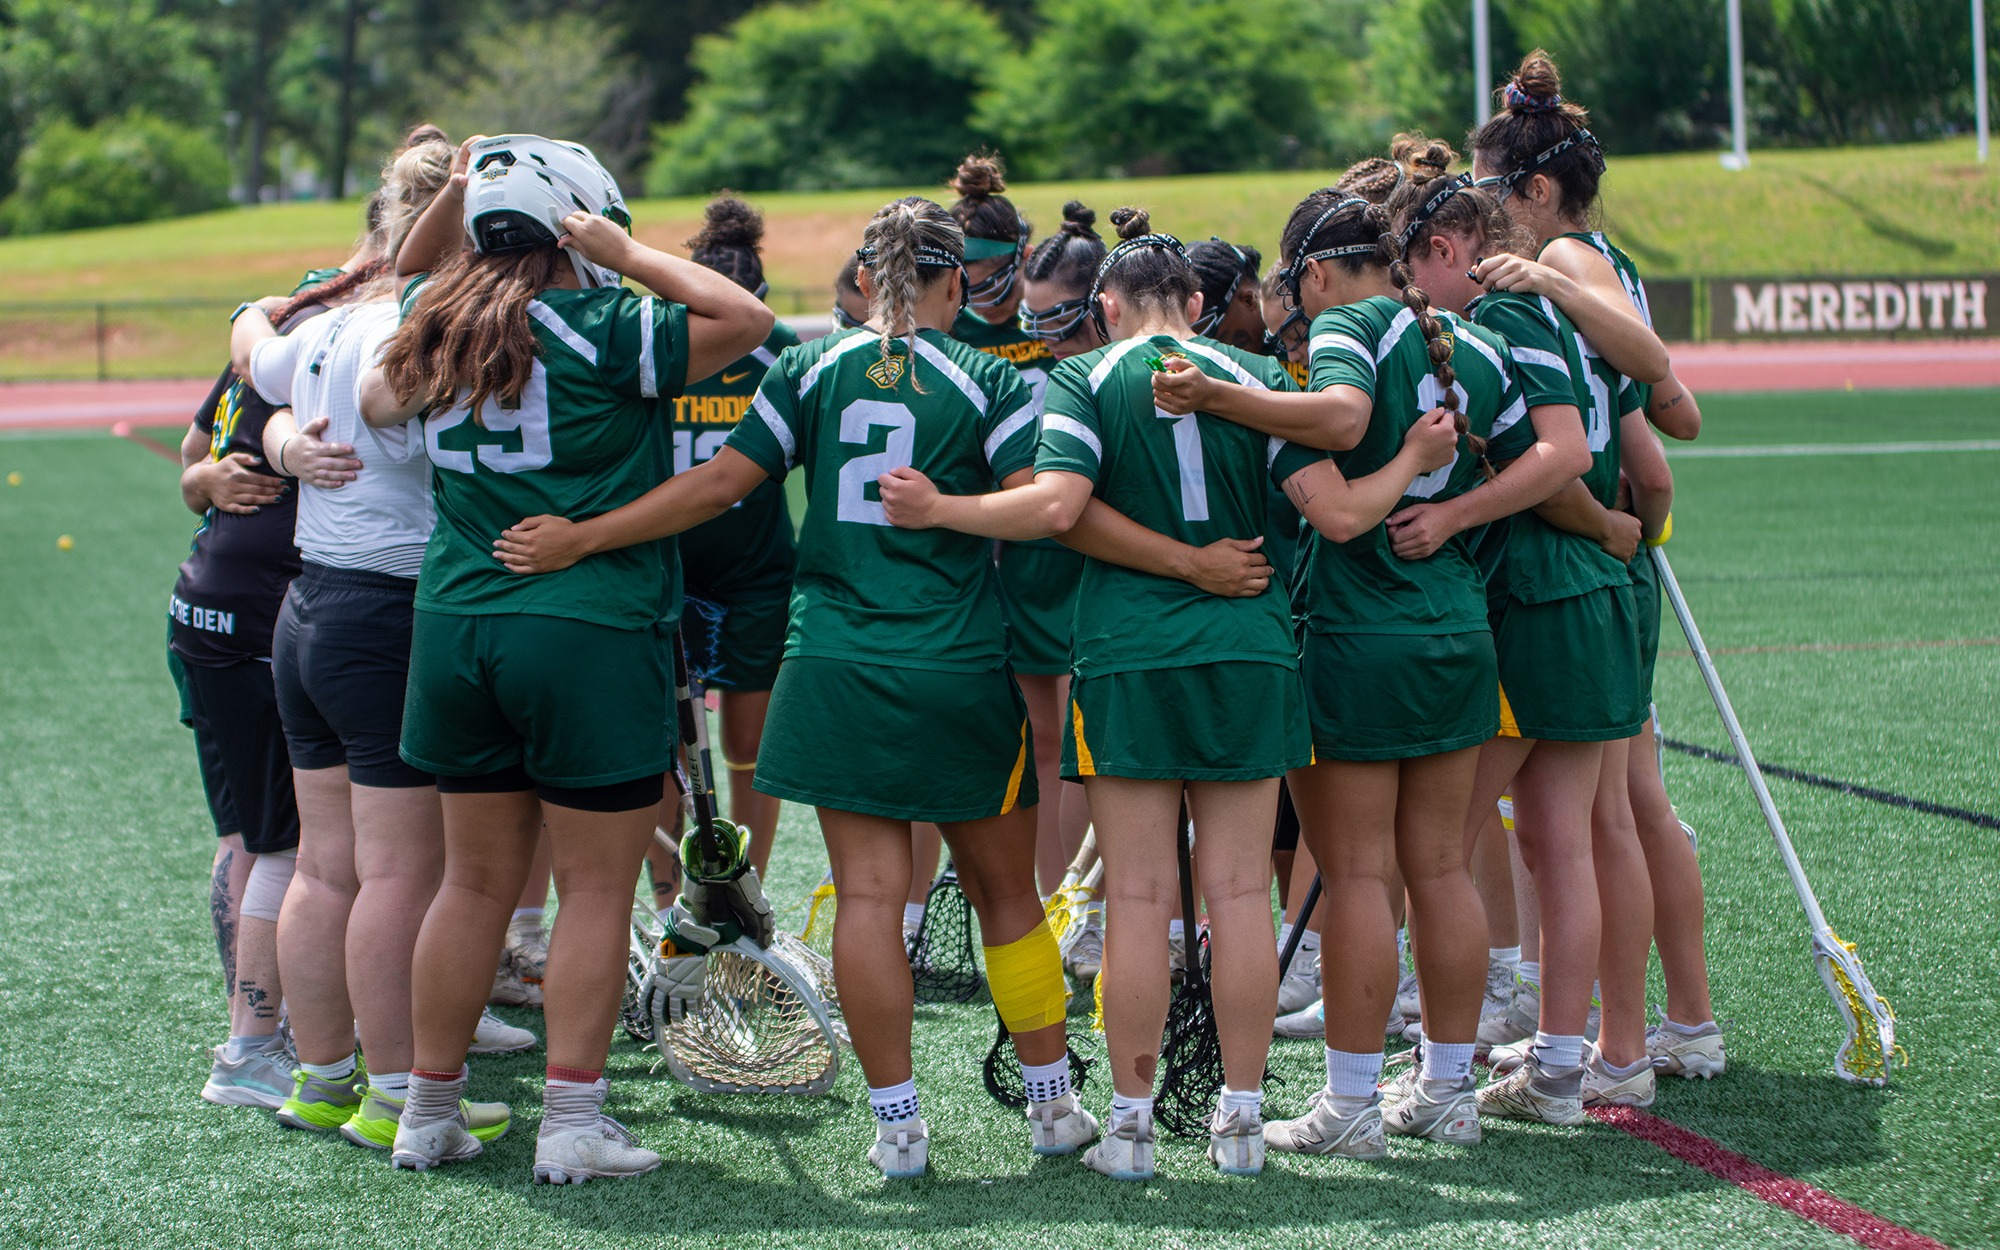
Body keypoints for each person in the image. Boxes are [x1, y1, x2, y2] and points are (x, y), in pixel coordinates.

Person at [487, 197, 1094, 1180]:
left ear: (862, 282)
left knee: (866, 891)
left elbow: (716, 484)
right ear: (948, 283)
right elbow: (1044, 507)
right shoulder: (985, 377)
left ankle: (898, 1127)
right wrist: (949, 508)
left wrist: (586, 534)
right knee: (1006, 895)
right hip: (953, 663)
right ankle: (1052, 1103)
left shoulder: (809, 367)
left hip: (831, 661)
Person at [357, 133, 773, 1182]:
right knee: (594, 892)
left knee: (472, 883)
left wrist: (456, 203)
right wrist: (620, 255)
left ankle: (428, 1107)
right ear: (578, 218)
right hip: (585, 625)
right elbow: (747, 320)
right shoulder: (606, 319)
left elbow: (379, 382)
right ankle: (573, 1120)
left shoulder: (432, 325)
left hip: (459, 624)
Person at [878, 208, 1311, 1181]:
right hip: (1246, 649)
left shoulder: (1083, 373)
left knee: (1141, 896)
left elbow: (1060, 506)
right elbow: (1323, 500)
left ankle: (1129, 1125)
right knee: (1241, 892)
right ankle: (1240, 1120)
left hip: (1128, 654)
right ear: (1199, 305)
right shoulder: (1256, 376)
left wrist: (944, 508)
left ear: (1105, 306)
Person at [1152, 177, 1567, 1156]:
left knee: (1359, 874)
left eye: (1297, 282)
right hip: (1456, 632)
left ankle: (1347, 1104)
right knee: (1439, 867)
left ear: (1328, 270)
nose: (1292, 304)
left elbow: (1337, 440)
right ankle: (1446, 1088)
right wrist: (1455, 514)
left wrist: (1224, 393)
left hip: (1356, 636)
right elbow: (1551, 460)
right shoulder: (1477, 344)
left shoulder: (1346, 330)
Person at [236, 133, 530, 1148]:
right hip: (385, 610)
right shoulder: (415, 323)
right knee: (402, 871)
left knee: (326, 866)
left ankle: (321, 1076)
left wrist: (278, 435)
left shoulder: (326, 322)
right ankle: (398, 1088)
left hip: (306, 607)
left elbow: (246, 343)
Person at [1380, 140, 1648, 1123]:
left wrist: (1451, 515)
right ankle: (1553, 1066)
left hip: (1544, 589)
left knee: (1446, 837)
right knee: (1550, 839)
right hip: (1573, 586)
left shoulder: (1502, 310)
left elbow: (1565, 452)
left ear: (1450, 248)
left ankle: (1449, 1062)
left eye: (1414, 268)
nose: (1412, 293)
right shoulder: (1541, 304)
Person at [1468, 50, 1721, 1080]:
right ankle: (1679, 1024)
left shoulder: (1566, 265)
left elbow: (1659, 416)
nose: (1485, 213)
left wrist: (1628, 533)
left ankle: (1625, 1040)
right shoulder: (1606, 259)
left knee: (1609, 814)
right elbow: (1674, 422)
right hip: (1616, 563)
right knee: (1631, 807)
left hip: (1592, 566)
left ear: (1530, 190)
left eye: (1490, 192)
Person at [172, 230, 396, 1110]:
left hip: (233, 603)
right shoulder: (333, 331)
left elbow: (196, 458)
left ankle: (279, 1026)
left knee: (267, 834)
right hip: (259, 610)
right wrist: (229, 474)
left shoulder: (287, 325)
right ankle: (251, 1042)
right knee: (281, 842)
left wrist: (218, 475)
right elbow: (198, 466)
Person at [944, 154, 1088, 902]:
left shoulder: (1052, 320)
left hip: (1075, 535)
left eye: (991, 266)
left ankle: (1091, 904)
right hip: (1004, 549)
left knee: (1082, 737)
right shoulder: (952, 332)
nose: (979, 284)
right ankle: (1054, 900)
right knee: (1040, 738)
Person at [662, 194, 801, 885]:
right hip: (664, 567)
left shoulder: (783, 354)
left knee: (749, 746)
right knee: (665, 746)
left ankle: (749, 885)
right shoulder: (660, 346)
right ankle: (671, 902)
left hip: (756, 573)